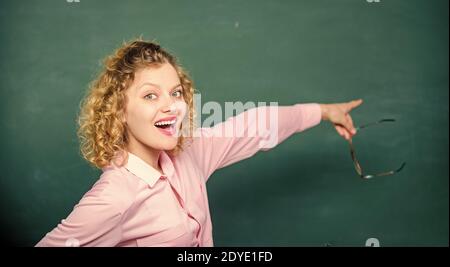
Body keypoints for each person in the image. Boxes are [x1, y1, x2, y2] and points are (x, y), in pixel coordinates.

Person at [36, 39, 363, 247]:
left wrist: (322, 111)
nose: (170, 105)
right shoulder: (114, 197)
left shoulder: (190, 153)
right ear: (118, 111)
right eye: (151, 95)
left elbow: (254, 126)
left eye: (175, 93)